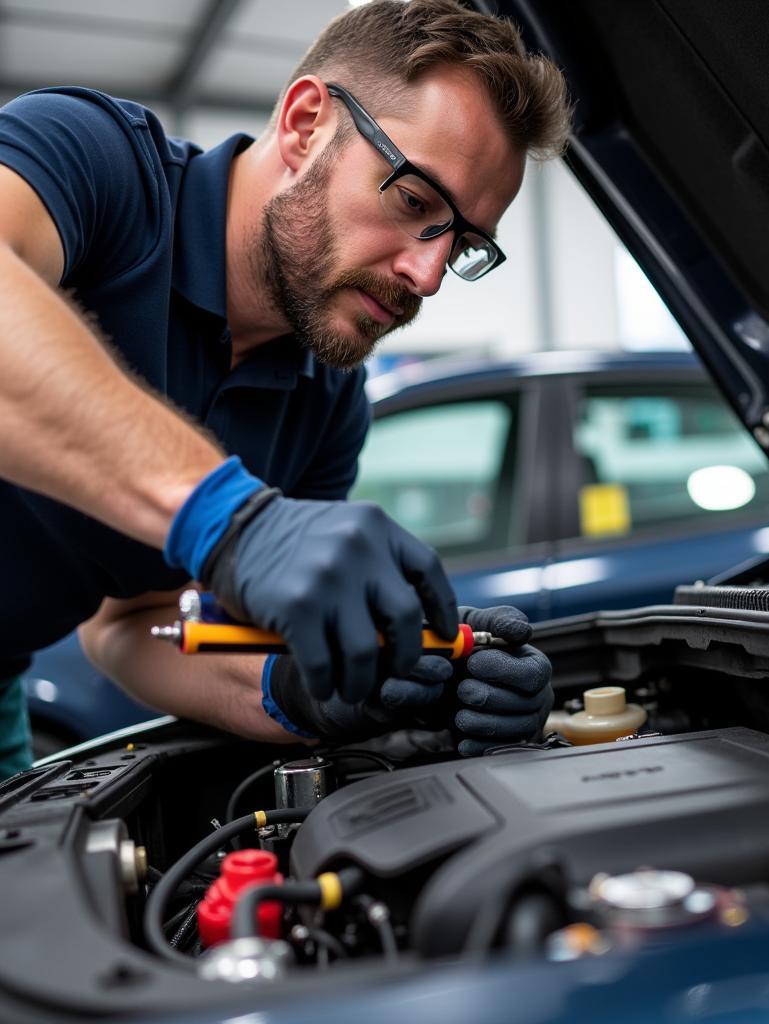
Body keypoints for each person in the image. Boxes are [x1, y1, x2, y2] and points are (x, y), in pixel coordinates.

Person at [0, 0, 571, 776]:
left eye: (464, 244)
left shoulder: (327, 402)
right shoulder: (96, 162)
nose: (428, 276)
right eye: (413, 201)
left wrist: (311, 689)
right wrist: (225, 516)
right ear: (306, 124)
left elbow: (133, 624)